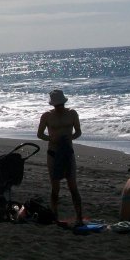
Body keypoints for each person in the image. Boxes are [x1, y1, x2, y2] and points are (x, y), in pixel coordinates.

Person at [36, 89, 83, 225]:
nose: (59, 107)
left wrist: (71, 137)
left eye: (61, 105)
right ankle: (55, 217)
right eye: (57, 105)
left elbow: (78, 131)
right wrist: (51, 138)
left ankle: (79, 218)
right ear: (53, 105)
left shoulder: (72, 113)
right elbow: (39, 134)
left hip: (68, 152)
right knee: (55, 188)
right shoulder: (46, 116)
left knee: (73, 186)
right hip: (53, 153)